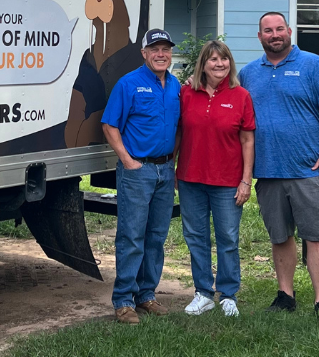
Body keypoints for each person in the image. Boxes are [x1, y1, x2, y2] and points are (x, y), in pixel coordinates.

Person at [238, 12, 319, 325]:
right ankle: (285, 295)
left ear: (290, 31)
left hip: (307, 169)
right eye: (268, 30)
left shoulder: (313, 65)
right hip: (268, 171)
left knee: (316, 237)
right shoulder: (248, 73)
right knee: (280, 237)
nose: (275, 35)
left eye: (280, 29)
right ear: (259, 37)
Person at [101, 28, 181, 324]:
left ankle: (146, 295)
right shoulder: (129, 84)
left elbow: (180, 128)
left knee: (156, 236)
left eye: (166, 49)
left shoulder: (175, 86)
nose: (161, 54)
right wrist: (126, 159)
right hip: (138, 171)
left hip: (165, 170)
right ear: (144, 53)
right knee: (132, 236)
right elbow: (110, 125)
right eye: (155, 49)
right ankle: (123, 300)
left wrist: (174, 162)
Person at [176, 40, 255, 317]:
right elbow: (177, 133)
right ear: (203, 65)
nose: (219, 64)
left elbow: (247, 140)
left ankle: (228, 294)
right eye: (213, 59)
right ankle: (203, 293)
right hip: (191, 179)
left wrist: (246, 180)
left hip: (227, 181)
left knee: (228, 239)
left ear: (230, 63)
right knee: (196, 237)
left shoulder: (241, 95)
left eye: (224, 59)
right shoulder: (186, 93)